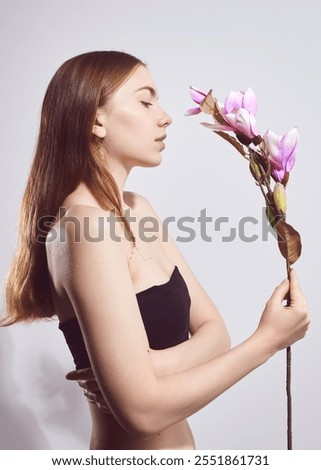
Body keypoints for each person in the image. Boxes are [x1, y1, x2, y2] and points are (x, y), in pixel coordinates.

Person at [1, 51, 309, 450]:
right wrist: (267, 342)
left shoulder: (137, 209)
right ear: (96, 120)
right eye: (145, 101)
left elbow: (216, 335)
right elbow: (142, 414)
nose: (164, 116)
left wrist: (148, 367)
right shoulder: (83, 228)